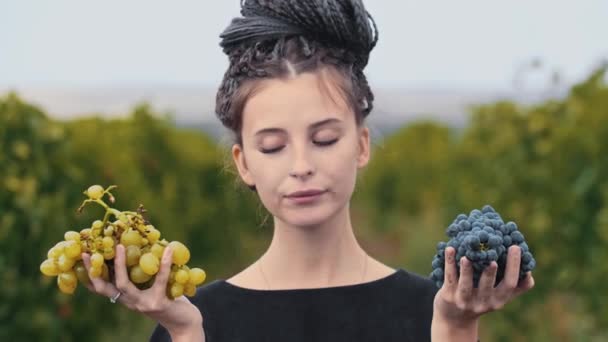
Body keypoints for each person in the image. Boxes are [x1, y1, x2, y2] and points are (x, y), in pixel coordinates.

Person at [81, 1, 535, 341]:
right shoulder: (195, 320)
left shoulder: (431, 311)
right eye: (273, 146)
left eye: (324, 139)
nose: (301, 166)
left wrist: (457, 327)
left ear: (361, 145)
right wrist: (184, 333)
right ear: (244, 163)